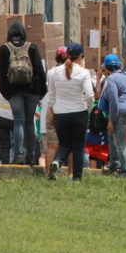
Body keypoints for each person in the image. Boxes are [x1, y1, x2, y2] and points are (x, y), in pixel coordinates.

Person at [0, 19, 46, 165]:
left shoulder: (5, 49)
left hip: (14, 91)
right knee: (29, 121)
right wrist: (41, 91)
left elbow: (1, 72)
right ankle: (29, 153)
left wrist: (7, 93)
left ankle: (18, 154)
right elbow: (40, 72)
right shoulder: (32, 47)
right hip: (32, 91)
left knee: (18, 120)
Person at [46, 43, 95, 182]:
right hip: (79, 112)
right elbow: (90, 95)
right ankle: (77, 177)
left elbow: (52, 95)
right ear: (81, 56)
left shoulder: (54, 72)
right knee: (78, 145)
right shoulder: (84, 72)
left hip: (60, 114)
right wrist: (89, 110)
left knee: (64, 144)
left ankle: (57, 162)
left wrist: (52, 111)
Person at [100, 54, 126, 177]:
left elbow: (114, 100)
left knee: (121, 144)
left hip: (120, 112)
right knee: (111, 135)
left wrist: (111, 120)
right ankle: (114, 163)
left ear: (106, 67)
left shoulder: (111, 79)